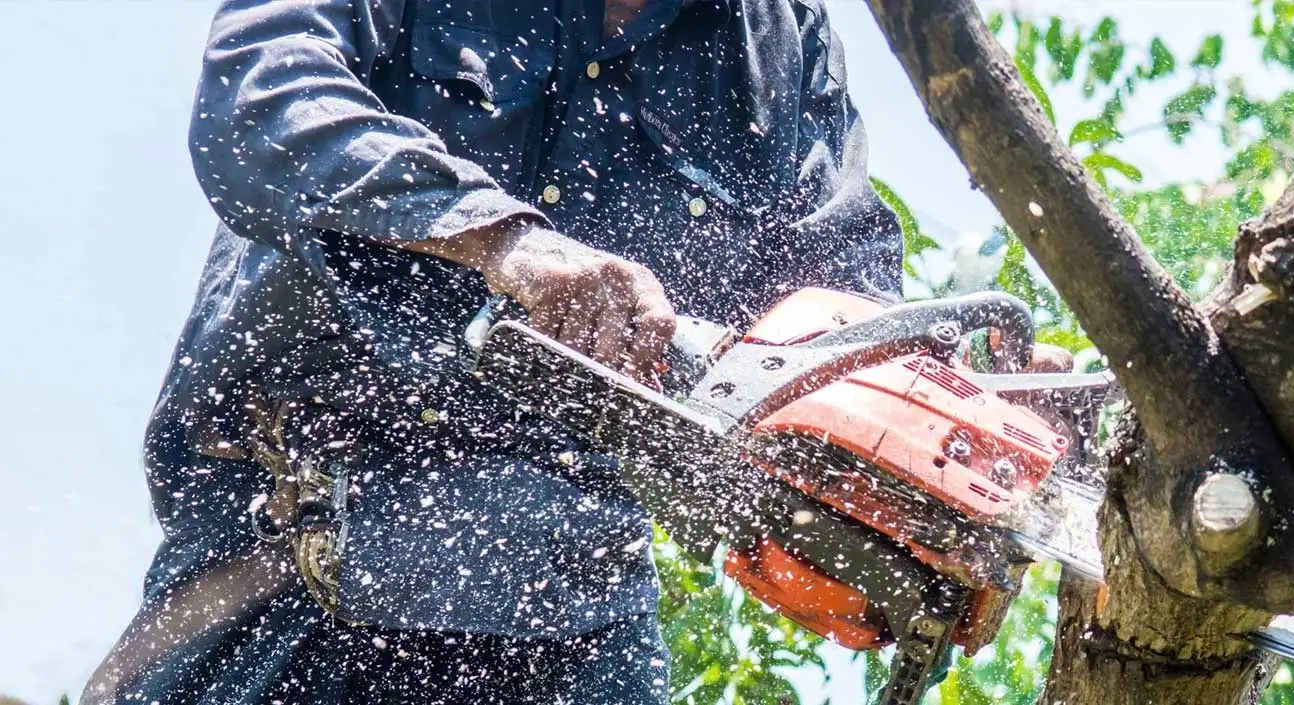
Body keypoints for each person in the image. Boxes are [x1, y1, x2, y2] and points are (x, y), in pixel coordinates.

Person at [84, 1, 902, 702]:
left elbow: (849, 324)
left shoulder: (777, 38)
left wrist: (915, 478)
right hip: (291, 556)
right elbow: (257, 100)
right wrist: (497, 237)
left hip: (576, 601)